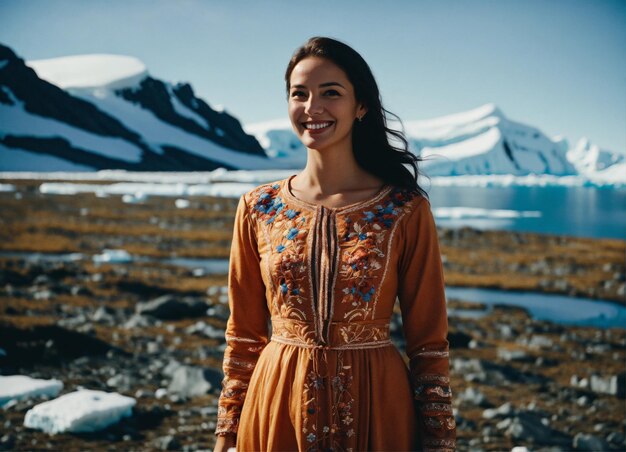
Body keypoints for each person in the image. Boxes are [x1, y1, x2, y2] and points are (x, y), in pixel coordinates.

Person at [214, 36, 455, 452]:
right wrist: (226, 434)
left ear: (361, 106)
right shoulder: (259, 207)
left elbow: (428, 342)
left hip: (377, 402)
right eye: (299, 94)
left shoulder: (403, 209)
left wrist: (440, 440)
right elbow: (243, 337)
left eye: (331, 93)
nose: (313, 108)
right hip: (276, 403)